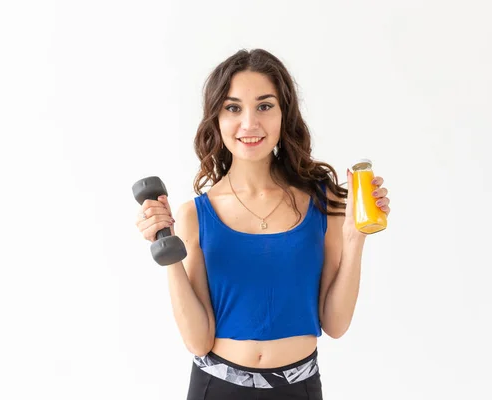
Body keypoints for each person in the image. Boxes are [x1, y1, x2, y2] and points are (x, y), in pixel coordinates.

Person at [135, 48, 391, 399]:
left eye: (265, 106)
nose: (250, 123)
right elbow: (198, 340)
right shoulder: (195, 215)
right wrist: (168, 254)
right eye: (233, 107)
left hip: (298, 387)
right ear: (217, 119)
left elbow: (335, 324)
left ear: (285, 114)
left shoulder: (323, 202)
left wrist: (355, 236)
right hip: (216, 387)